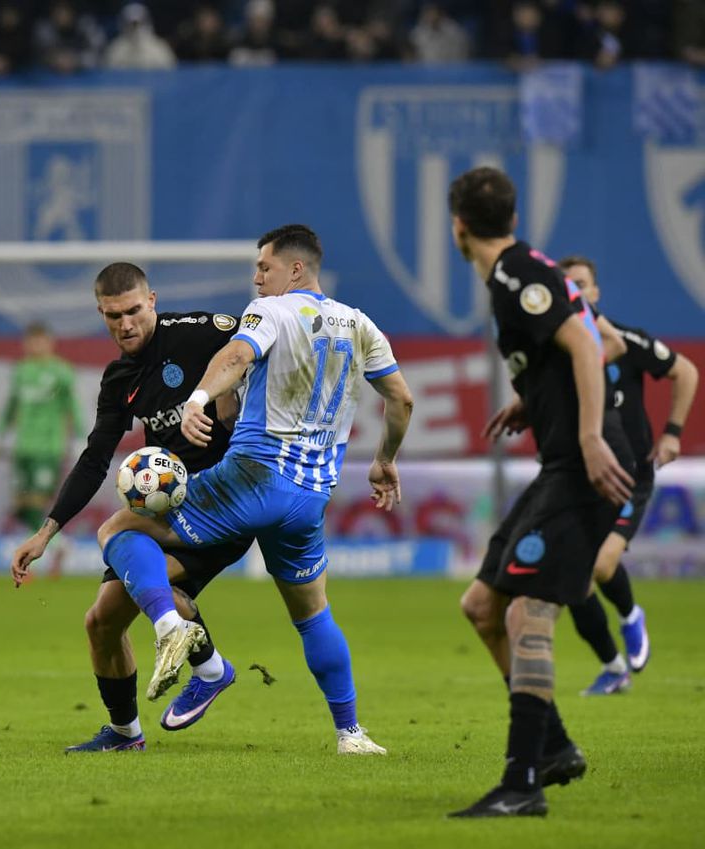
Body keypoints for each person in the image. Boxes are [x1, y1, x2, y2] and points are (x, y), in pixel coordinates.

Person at [92, 226, 413, 755]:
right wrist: (384, 460)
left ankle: (172, 626)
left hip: (252, 479)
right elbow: (401, 400)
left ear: (295, 269)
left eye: (265, 266)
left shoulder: (271, 311)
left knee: (118, 528)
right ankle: (350, 733)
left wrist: (197, 398)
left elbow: (236, 355)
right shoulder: (360, 324)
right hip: (309, 498)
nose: (257, 276)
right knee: (313, 614)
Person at [448, 167, 635, 818]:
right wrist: (533, 401)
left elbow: (589, 345)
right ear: (514, 218)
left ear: (458, 228)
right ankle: (551, 744)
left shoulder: (514, 276)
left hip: (581, 465)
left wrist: (588, 434)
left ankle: (522, 781)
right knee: (481, 605)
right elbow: (591, 342)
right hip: (561, 464)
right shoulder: (531, 267)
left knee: (529, 612)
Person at [10, 262, 248, 752]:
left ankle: (207, 666)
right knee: (101, 621)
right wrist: (45, 533)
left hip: (223, 498)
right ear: (102, 313)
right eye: (113, 315)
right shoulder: (119, 378)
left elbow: (261, 338)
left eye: (134, 311)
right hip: (168, 509)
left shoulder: (195, 332)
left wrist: (231, 392)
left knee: (120, 539)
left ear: (152, 301)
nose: (126, 324)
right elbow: (96, 458)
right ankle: (126, 732)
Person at [560, 255, 698, 695]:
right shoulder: (561, 351)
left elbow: (686, 372)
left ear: (596, 292)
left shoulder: (624, 340)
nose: (577, 292)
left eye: (583, 284)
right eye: (569, 286)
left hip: (631, 476)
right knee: (571, 579)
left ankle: (630, 615)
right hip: (584, 477)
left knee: (601, 565)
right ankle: (613, 667)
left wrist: (673, 432)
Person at [0, 322, 80, 572]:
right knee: (20, 506)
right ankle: (60, 544)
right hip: (23, 448)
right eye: (31, 341)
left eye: (41, 340)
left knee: (36, 501)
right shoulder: (21, 372)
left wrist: (78, 439)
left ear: (50, 342)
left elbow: (72, 406)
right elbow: (11, 406)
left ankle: (38, 550)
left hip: (49, 447)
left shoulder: (62, 372)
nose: (36, 346)